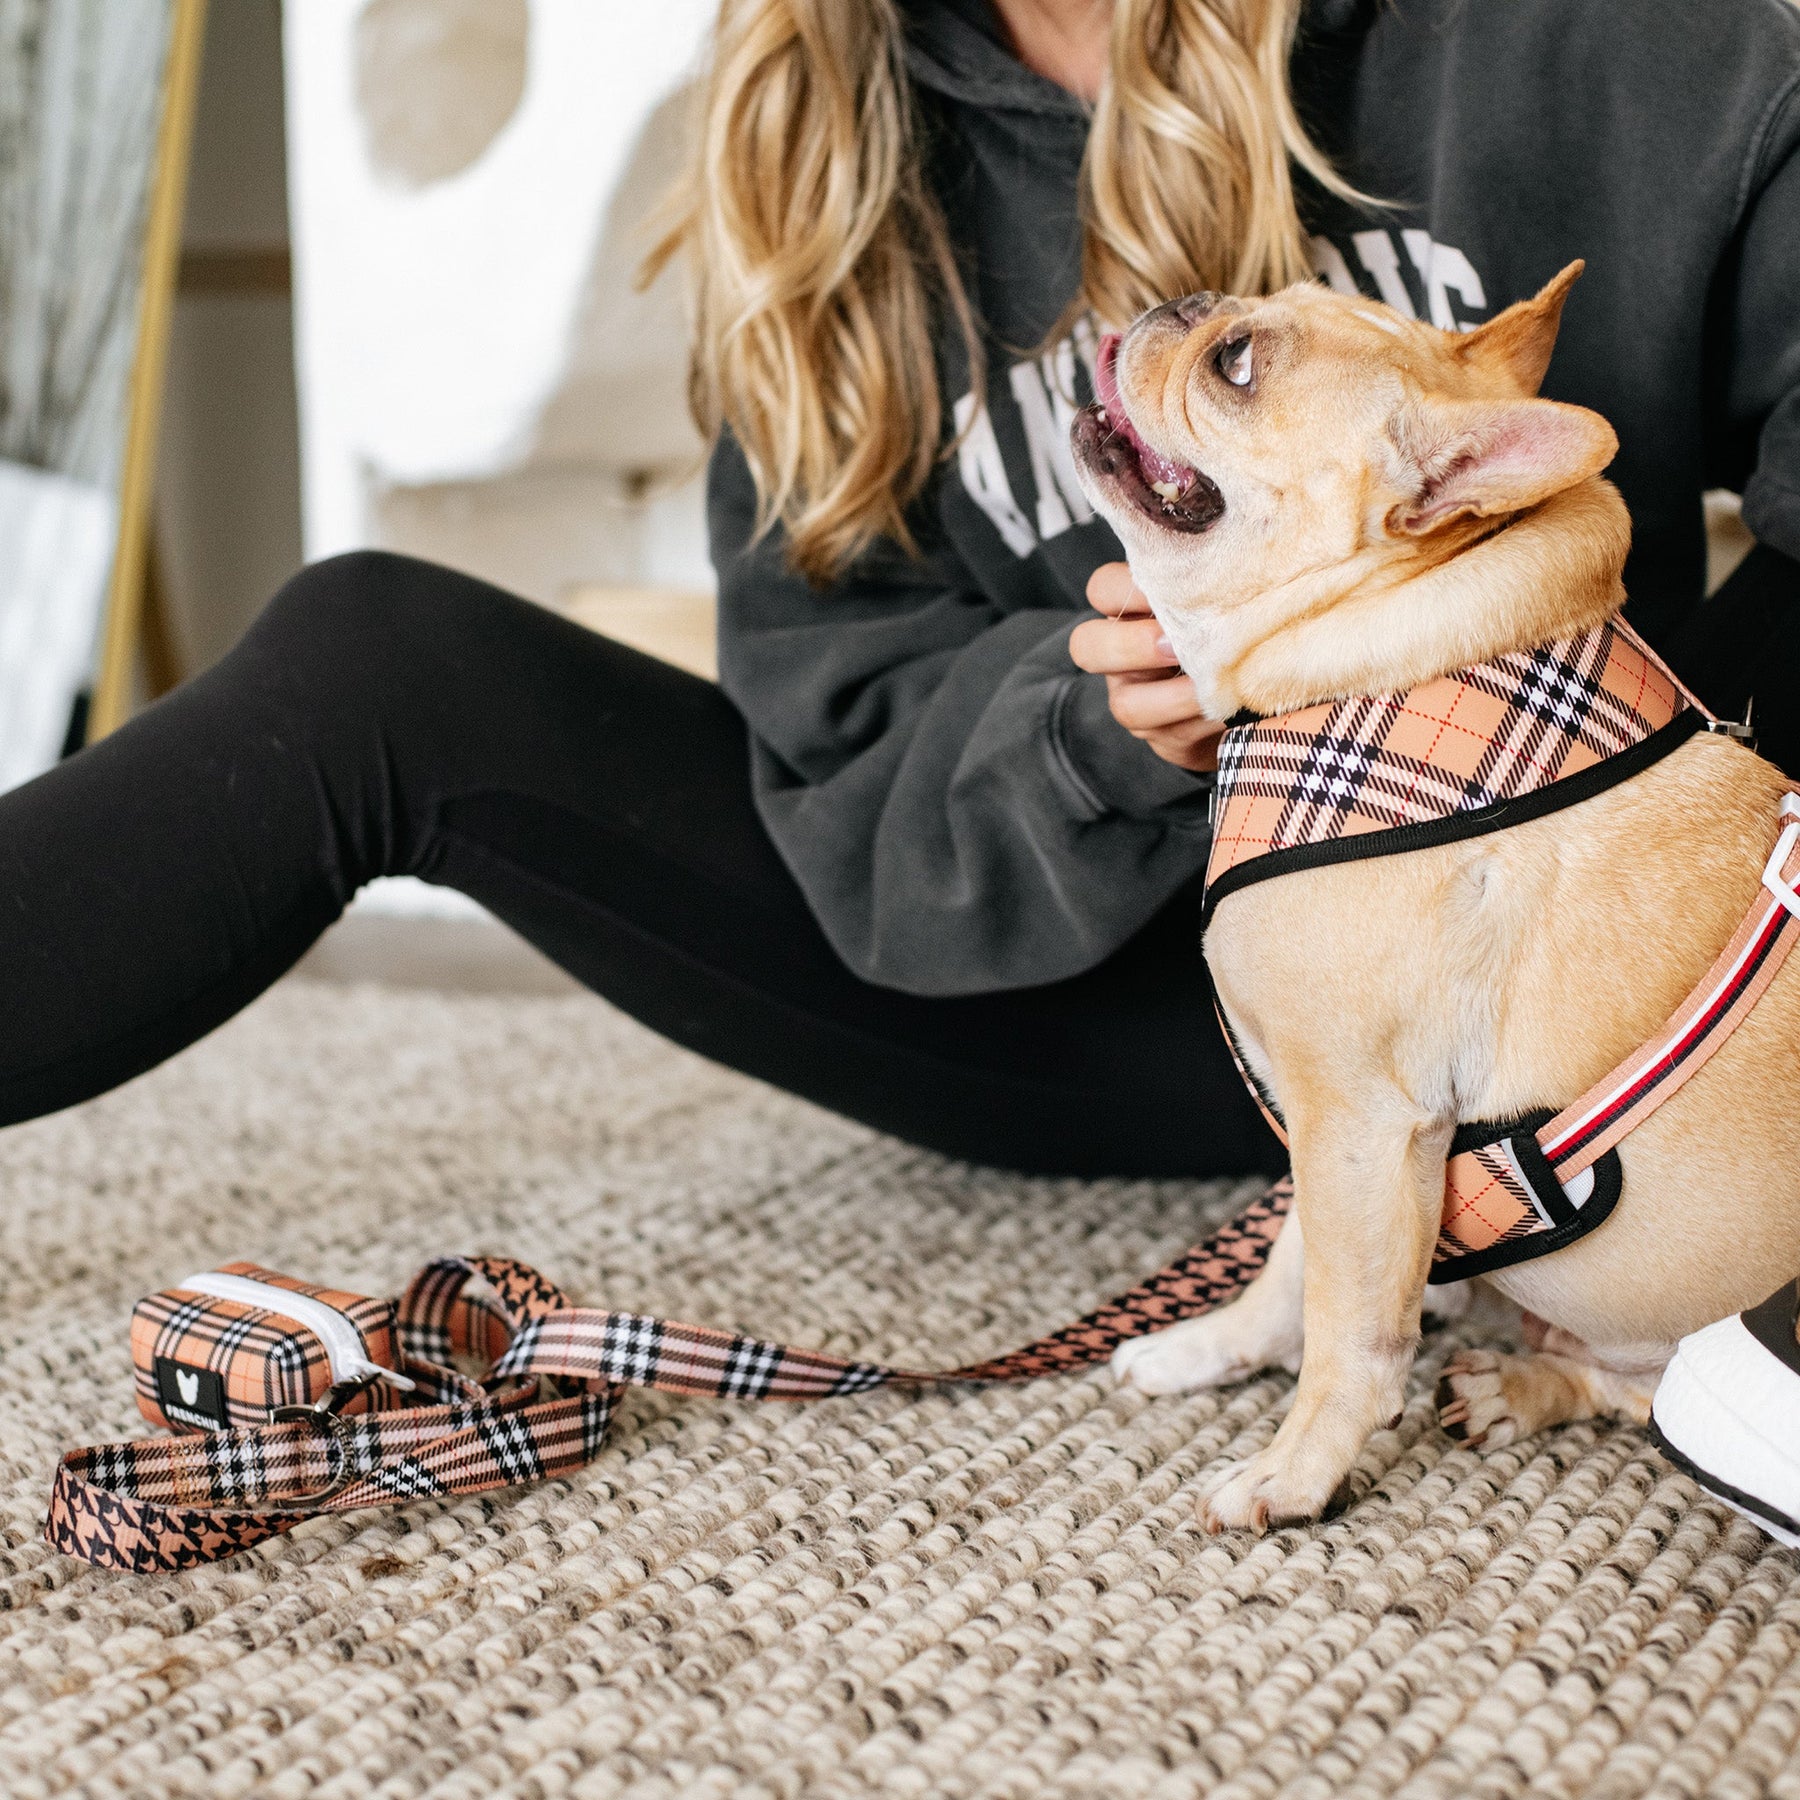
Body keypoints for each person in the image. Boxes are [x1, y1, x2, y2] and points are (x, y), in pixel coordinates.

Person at [3, 0, 1798, 1505]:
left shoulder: (1570, 41)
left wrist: (1603, 814)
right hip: (1069, 982)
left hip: (1555, 1023)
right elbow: (841, 738)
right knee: (376, 656)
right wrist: (1089, 725)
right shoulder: (820, 129)